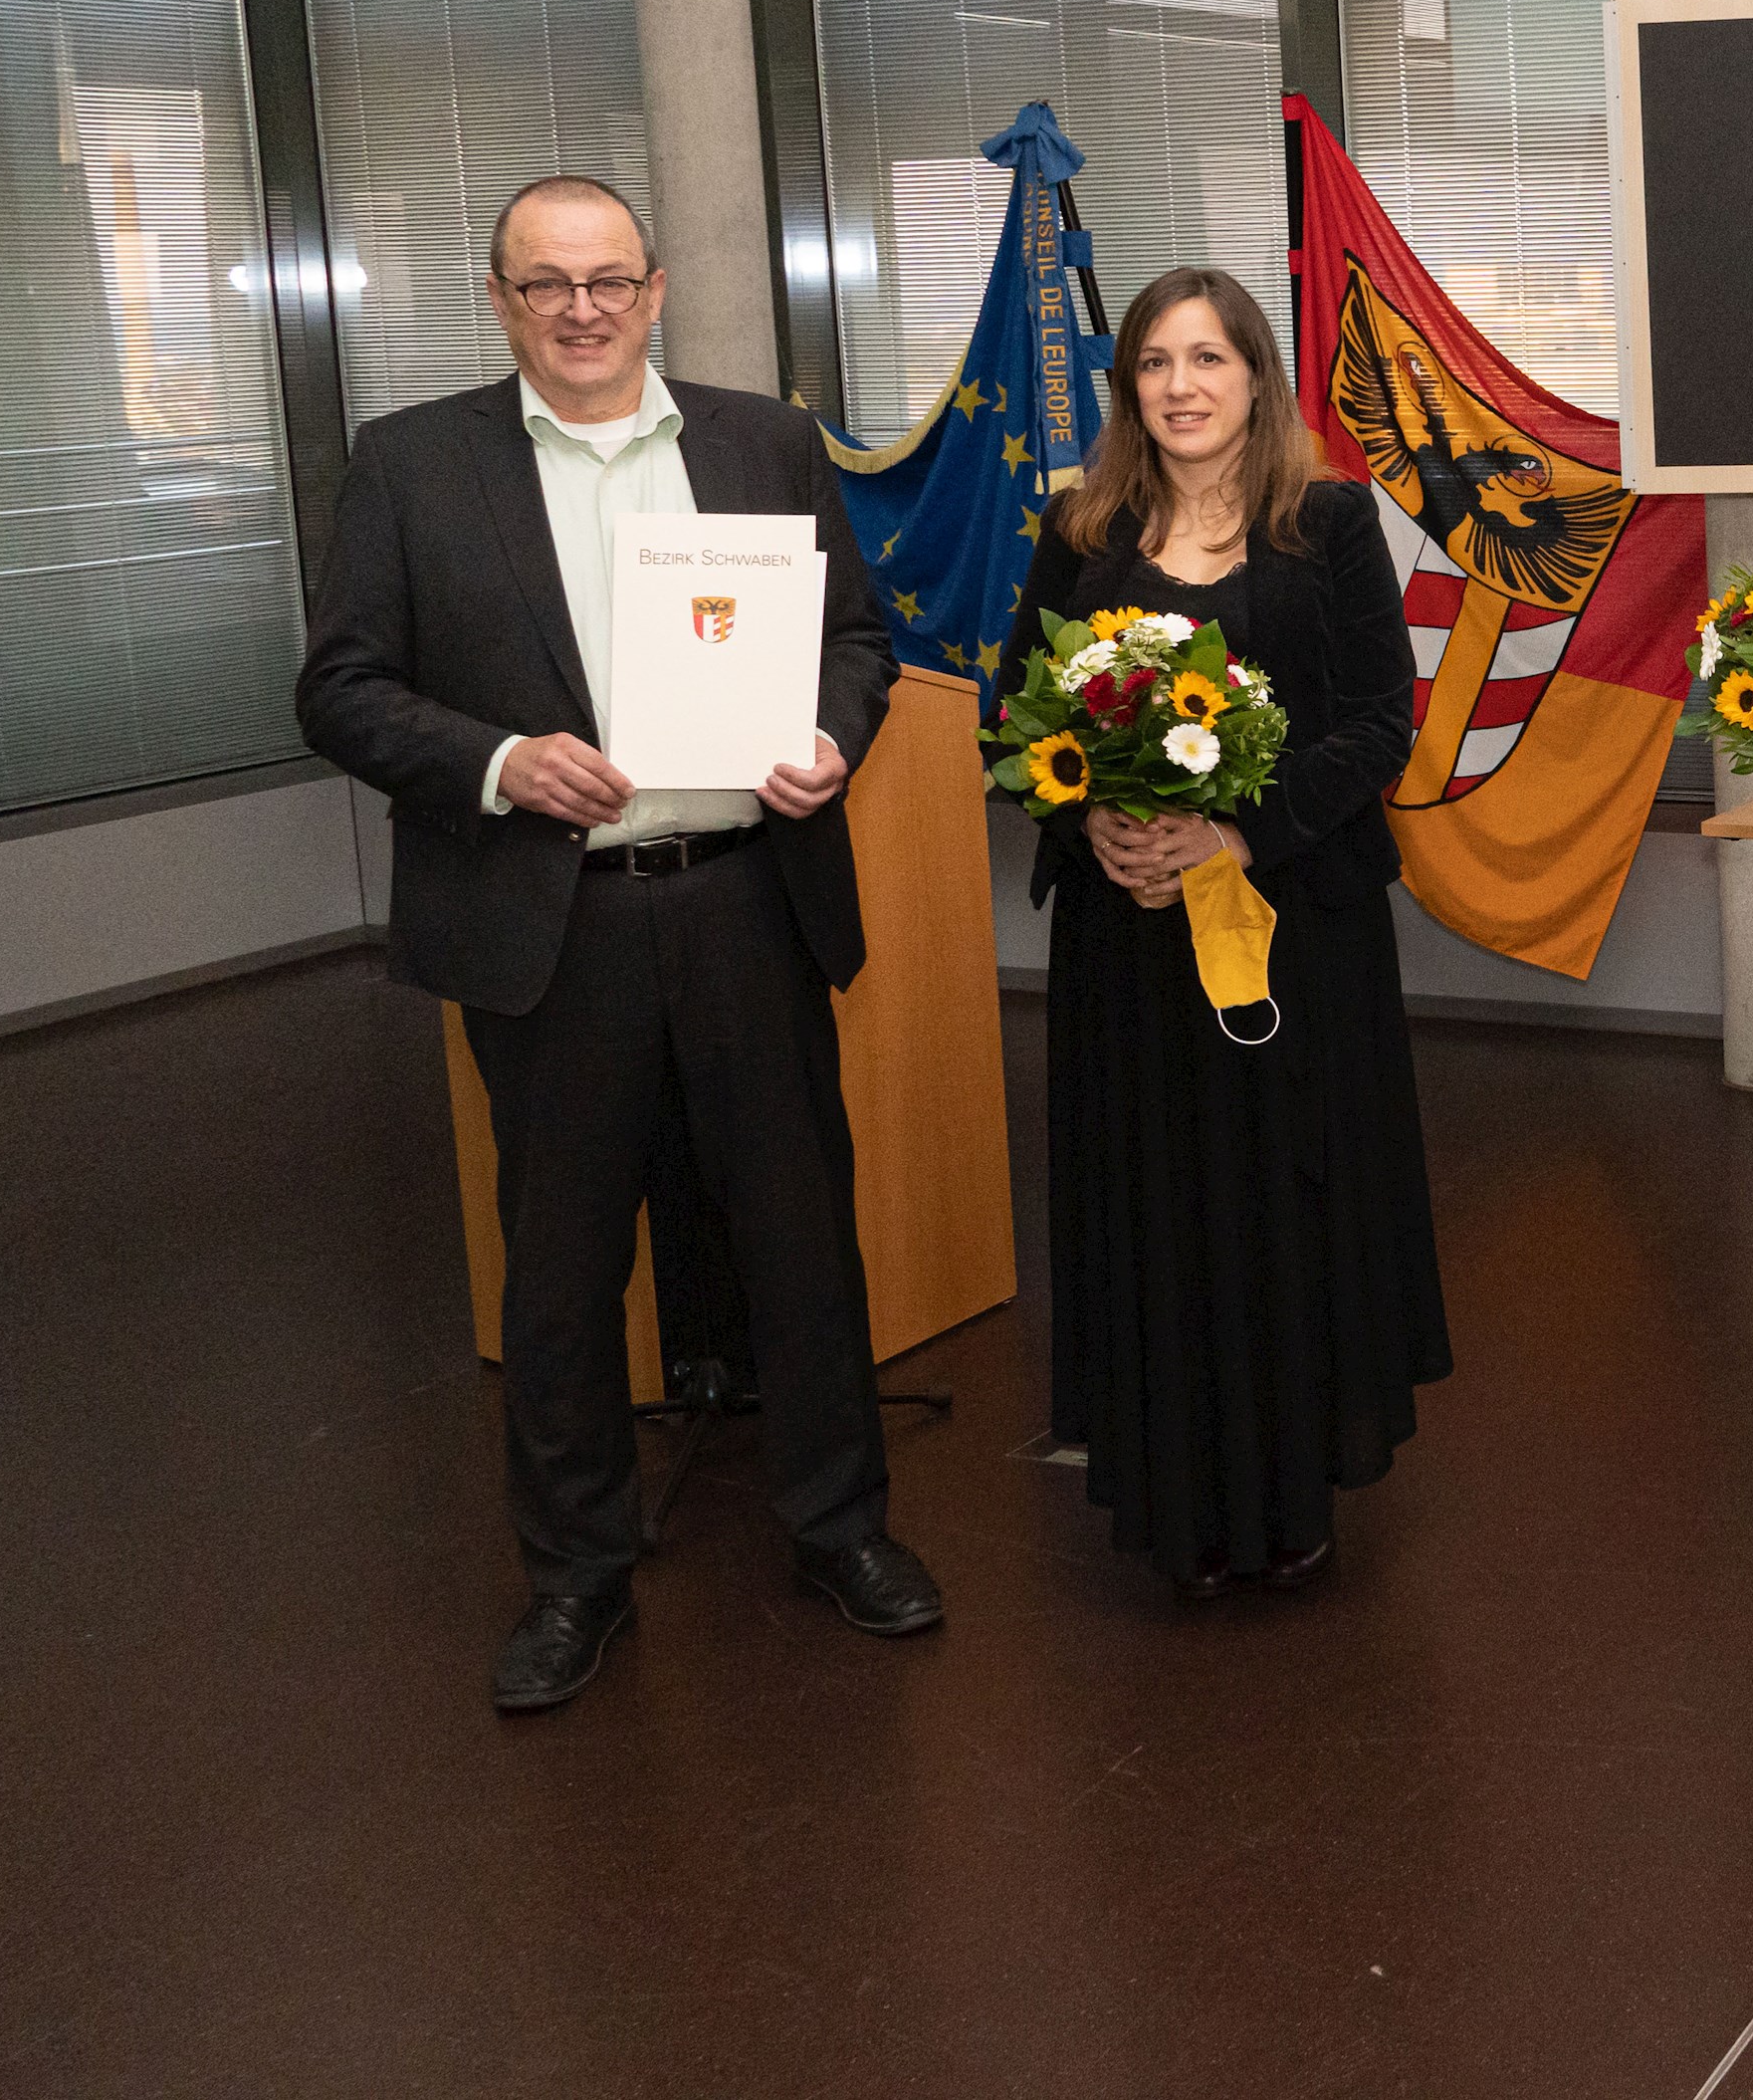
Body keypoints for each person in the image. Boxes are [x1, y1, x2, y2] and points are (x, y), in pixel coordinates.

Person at [296, 173, 938, 1714]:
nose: (580, 308)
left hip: (745, 897)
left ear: (655, 290)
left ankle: (841, 1525)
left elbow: (859, 638)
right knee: (564, 1272)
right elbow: (339, 687)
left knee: (799, 1233)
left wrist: (833, 737)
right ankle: (576, 1576)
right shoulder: (409, 464)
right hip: (551, 922)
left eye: (606, 279)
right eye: (544, 283)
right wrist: (504, 760)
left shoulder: (760, 441)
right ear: (501, 299)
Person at [1010, 268, 1447, 1599]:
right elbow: (1023, 724)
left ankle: (1286, 1484)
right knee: (1159, 1200)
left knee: (1277, 1201)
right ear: (1127, 385)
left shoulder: (1327, 520)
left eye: (1207, 357)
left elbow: (1382, 720)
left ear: (1258, 375)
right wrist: (1092, 826)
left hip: (1290, 934)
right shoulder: (1078, 531)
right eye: (1153, 360)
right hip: (1125, 940)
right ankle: (1172, 1485)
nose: (1180, 384)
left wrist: (1239, 833)